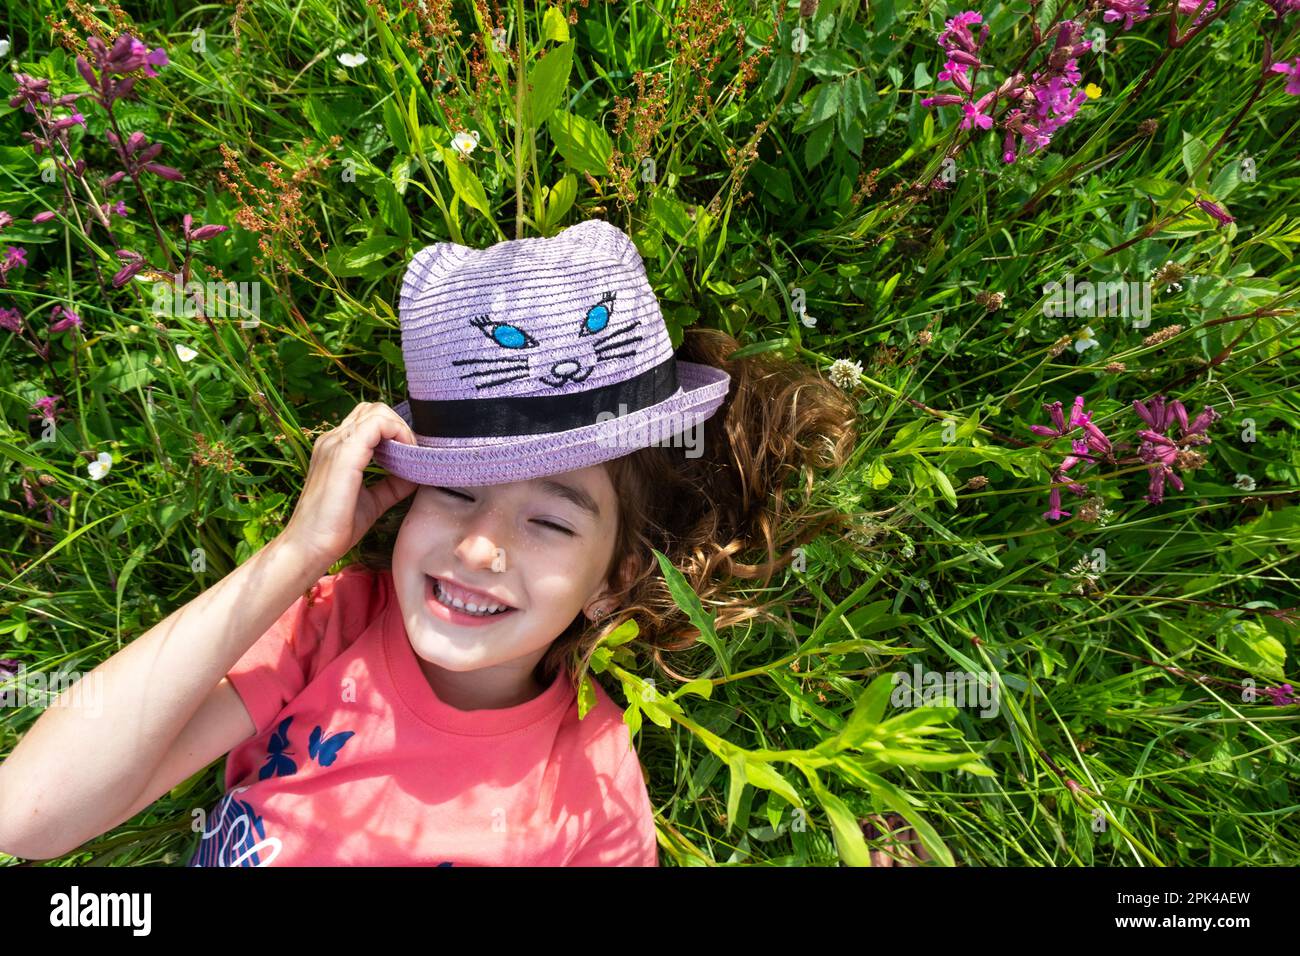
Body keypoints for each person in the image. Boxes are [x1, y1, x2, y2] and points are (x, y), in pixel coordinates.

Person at [0, 219, 861, 866]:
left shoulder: (591, 783)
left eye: (552, 520)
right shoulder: (324, 630)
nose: (483, 546)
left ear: (615, 580)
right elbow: (30, 814)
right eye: (454, 492)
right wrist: (296, 554)